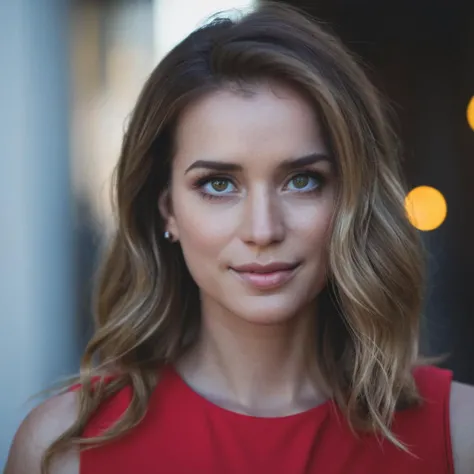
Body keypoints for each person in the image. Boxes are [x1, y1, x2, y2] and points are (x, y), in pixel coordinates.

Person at [5, 2, 474, 474]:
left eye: (303, 180)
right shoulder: (63, 451)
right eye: (218, 184)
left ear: (350, 197)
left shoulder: (459, 435)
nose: (263, 230)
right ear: (167, 208)